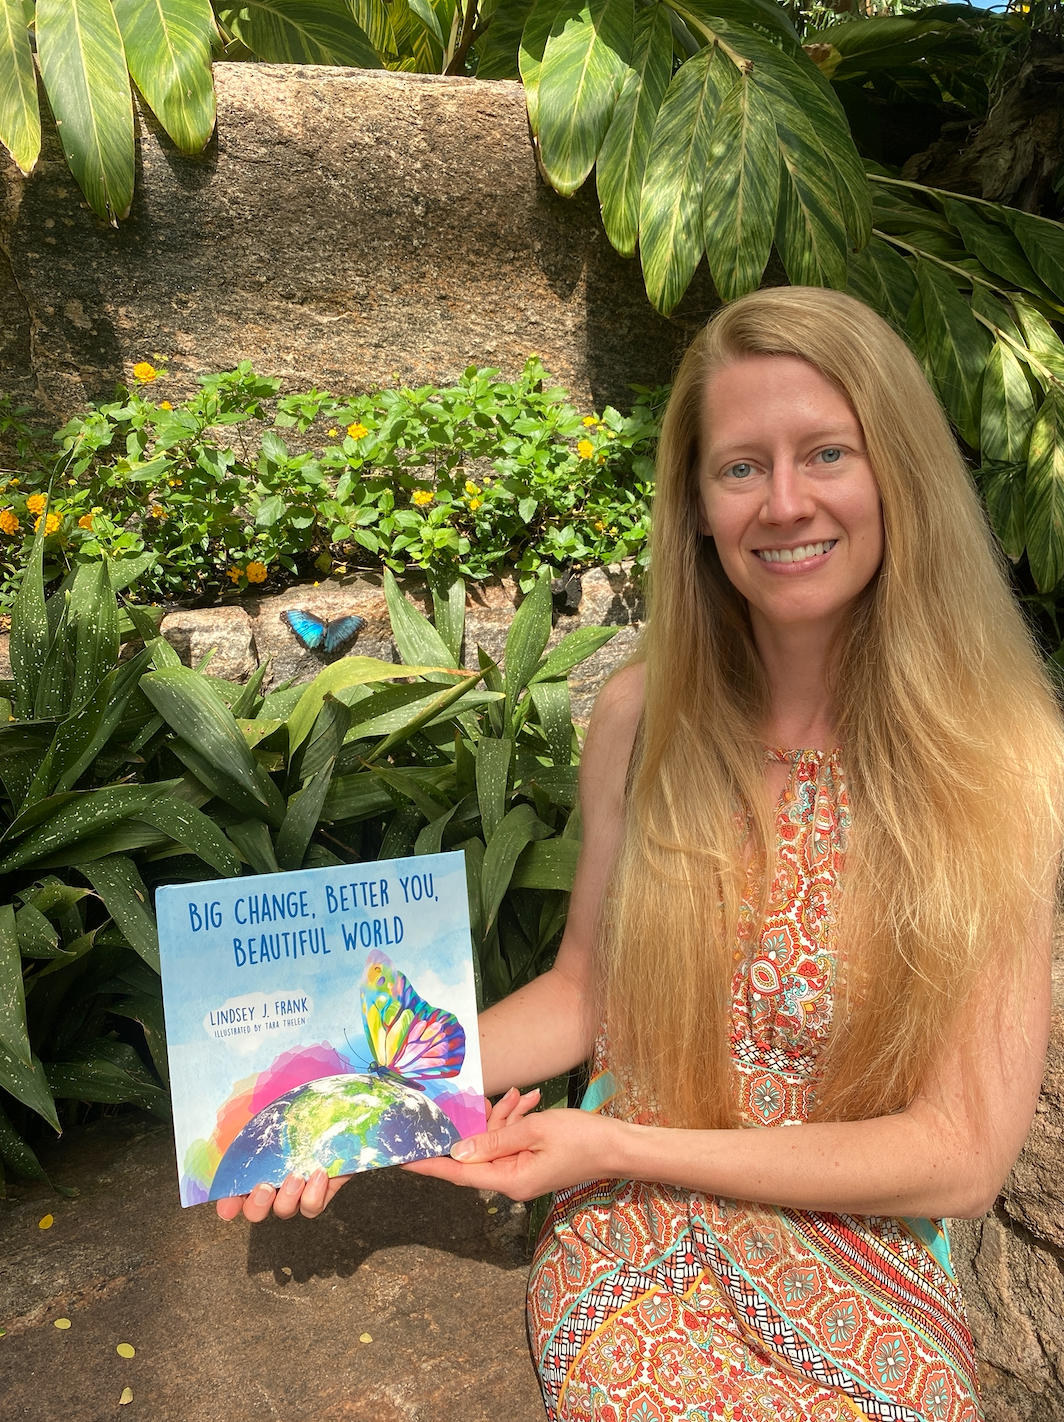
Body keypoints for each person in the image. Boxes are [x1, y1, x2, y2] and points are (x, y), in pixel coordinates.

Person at [218, 287, 1064, 1422]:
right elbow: (582, 998)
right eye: (738, 468)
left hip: (867, 1251)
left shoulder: (1004, 758)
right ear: (696, 506)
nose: (783, 502)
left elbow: (961, 1156)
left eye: (824, 452)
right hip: (639, 1243)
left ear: (897, 474)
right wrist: (346, 1099)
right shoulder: (640, 718)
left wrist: (610, 1138)